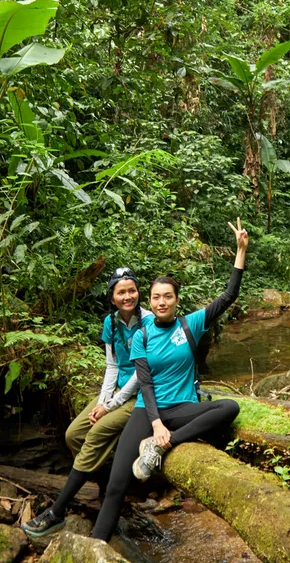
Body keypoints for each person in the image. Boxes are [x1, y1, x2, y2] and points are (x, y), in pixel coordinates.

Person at [90, 219, 249, 542]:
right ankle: (95, 545)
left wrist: (240, 252)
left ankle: (159, 449)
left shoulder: (192, 324)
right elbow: (145, 384)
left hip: (184, 406)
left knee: (229, 406)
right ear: (150, 302)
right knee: (118, 482)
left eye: (168, 296)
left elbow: (229, 296)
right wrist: (157, 424)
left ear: (177, 299)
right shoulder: (142, 335)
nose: (162, 302)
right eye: (156, 297)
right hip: (148, 410)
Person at [22, 266, 146, 537]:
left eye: (132, 290)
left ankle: (57, 512)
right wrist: (102, 400)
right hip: (116, 393)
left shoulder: (148, 321)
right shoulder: (110, 323)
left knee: (96, 433)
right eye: (121, 292)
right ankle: (104, 482)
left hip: (140, 395)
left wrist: (109, 407)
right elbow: (112, 366)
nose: (128, 296)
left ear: (138, 291)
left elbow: (140, 372)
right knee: (73, 434)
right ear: (112, 296)